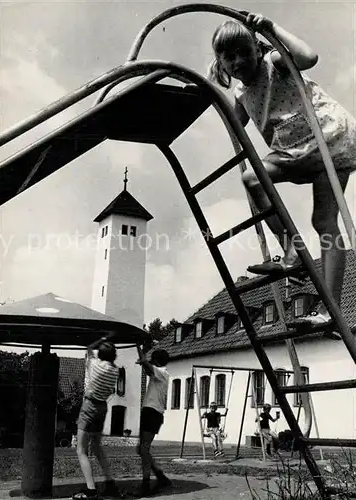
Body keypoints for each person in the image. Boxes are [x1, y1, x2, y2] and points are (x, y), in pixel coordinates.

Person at [208, 13, 356, 328]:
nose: (238, 62)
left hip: (327, 137)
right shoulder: (240, 94)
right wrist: (209, 90)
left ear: (256, 49)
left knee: (325, 220)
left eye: (244, 52)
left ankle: (330, 309)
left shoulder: (274, 62)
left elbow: (309, 57)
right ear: (221, 63)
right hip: (292, 151)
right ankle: (292, 250)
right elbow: (235, 126)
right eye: (229, 57)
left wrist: (272, 29)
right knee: (252, 179)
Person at [73, 336, 122, 500]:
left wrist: (102, 338)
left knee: (81, 450)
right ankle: (110, 483)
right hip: (102, 407)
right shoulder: (115, 370)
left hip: (89, 406)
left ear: (100, 354)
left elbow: (88, 347)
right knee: (97, 447)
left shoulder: (95, 365)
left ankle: (91, 490)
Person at [135, 345, 172, 497]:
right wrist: (143, 361)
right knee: (141, 449)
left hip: (153, 413)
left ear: (156, 361)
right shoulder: (158, 375)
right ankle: (160, 476)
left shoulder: (163, 373)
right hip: (150, 412)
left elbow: (149, 369)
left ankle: (146, 484)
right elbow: (148, 369)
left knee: (143, 448)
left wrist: (144, 360)